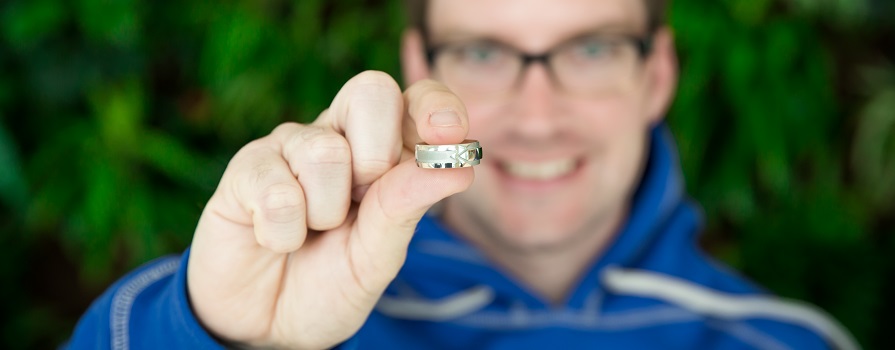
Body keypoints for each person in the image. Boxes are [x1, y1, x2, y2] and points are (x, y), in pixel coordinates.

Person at [66, 0, 858, 349]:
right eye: (484, 52)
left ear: (656, 76)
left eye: (589, 49)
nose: (535, 112)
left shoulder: (789, 343)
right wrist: (217, 337)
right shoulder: (276, 313)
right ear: (417, 64)